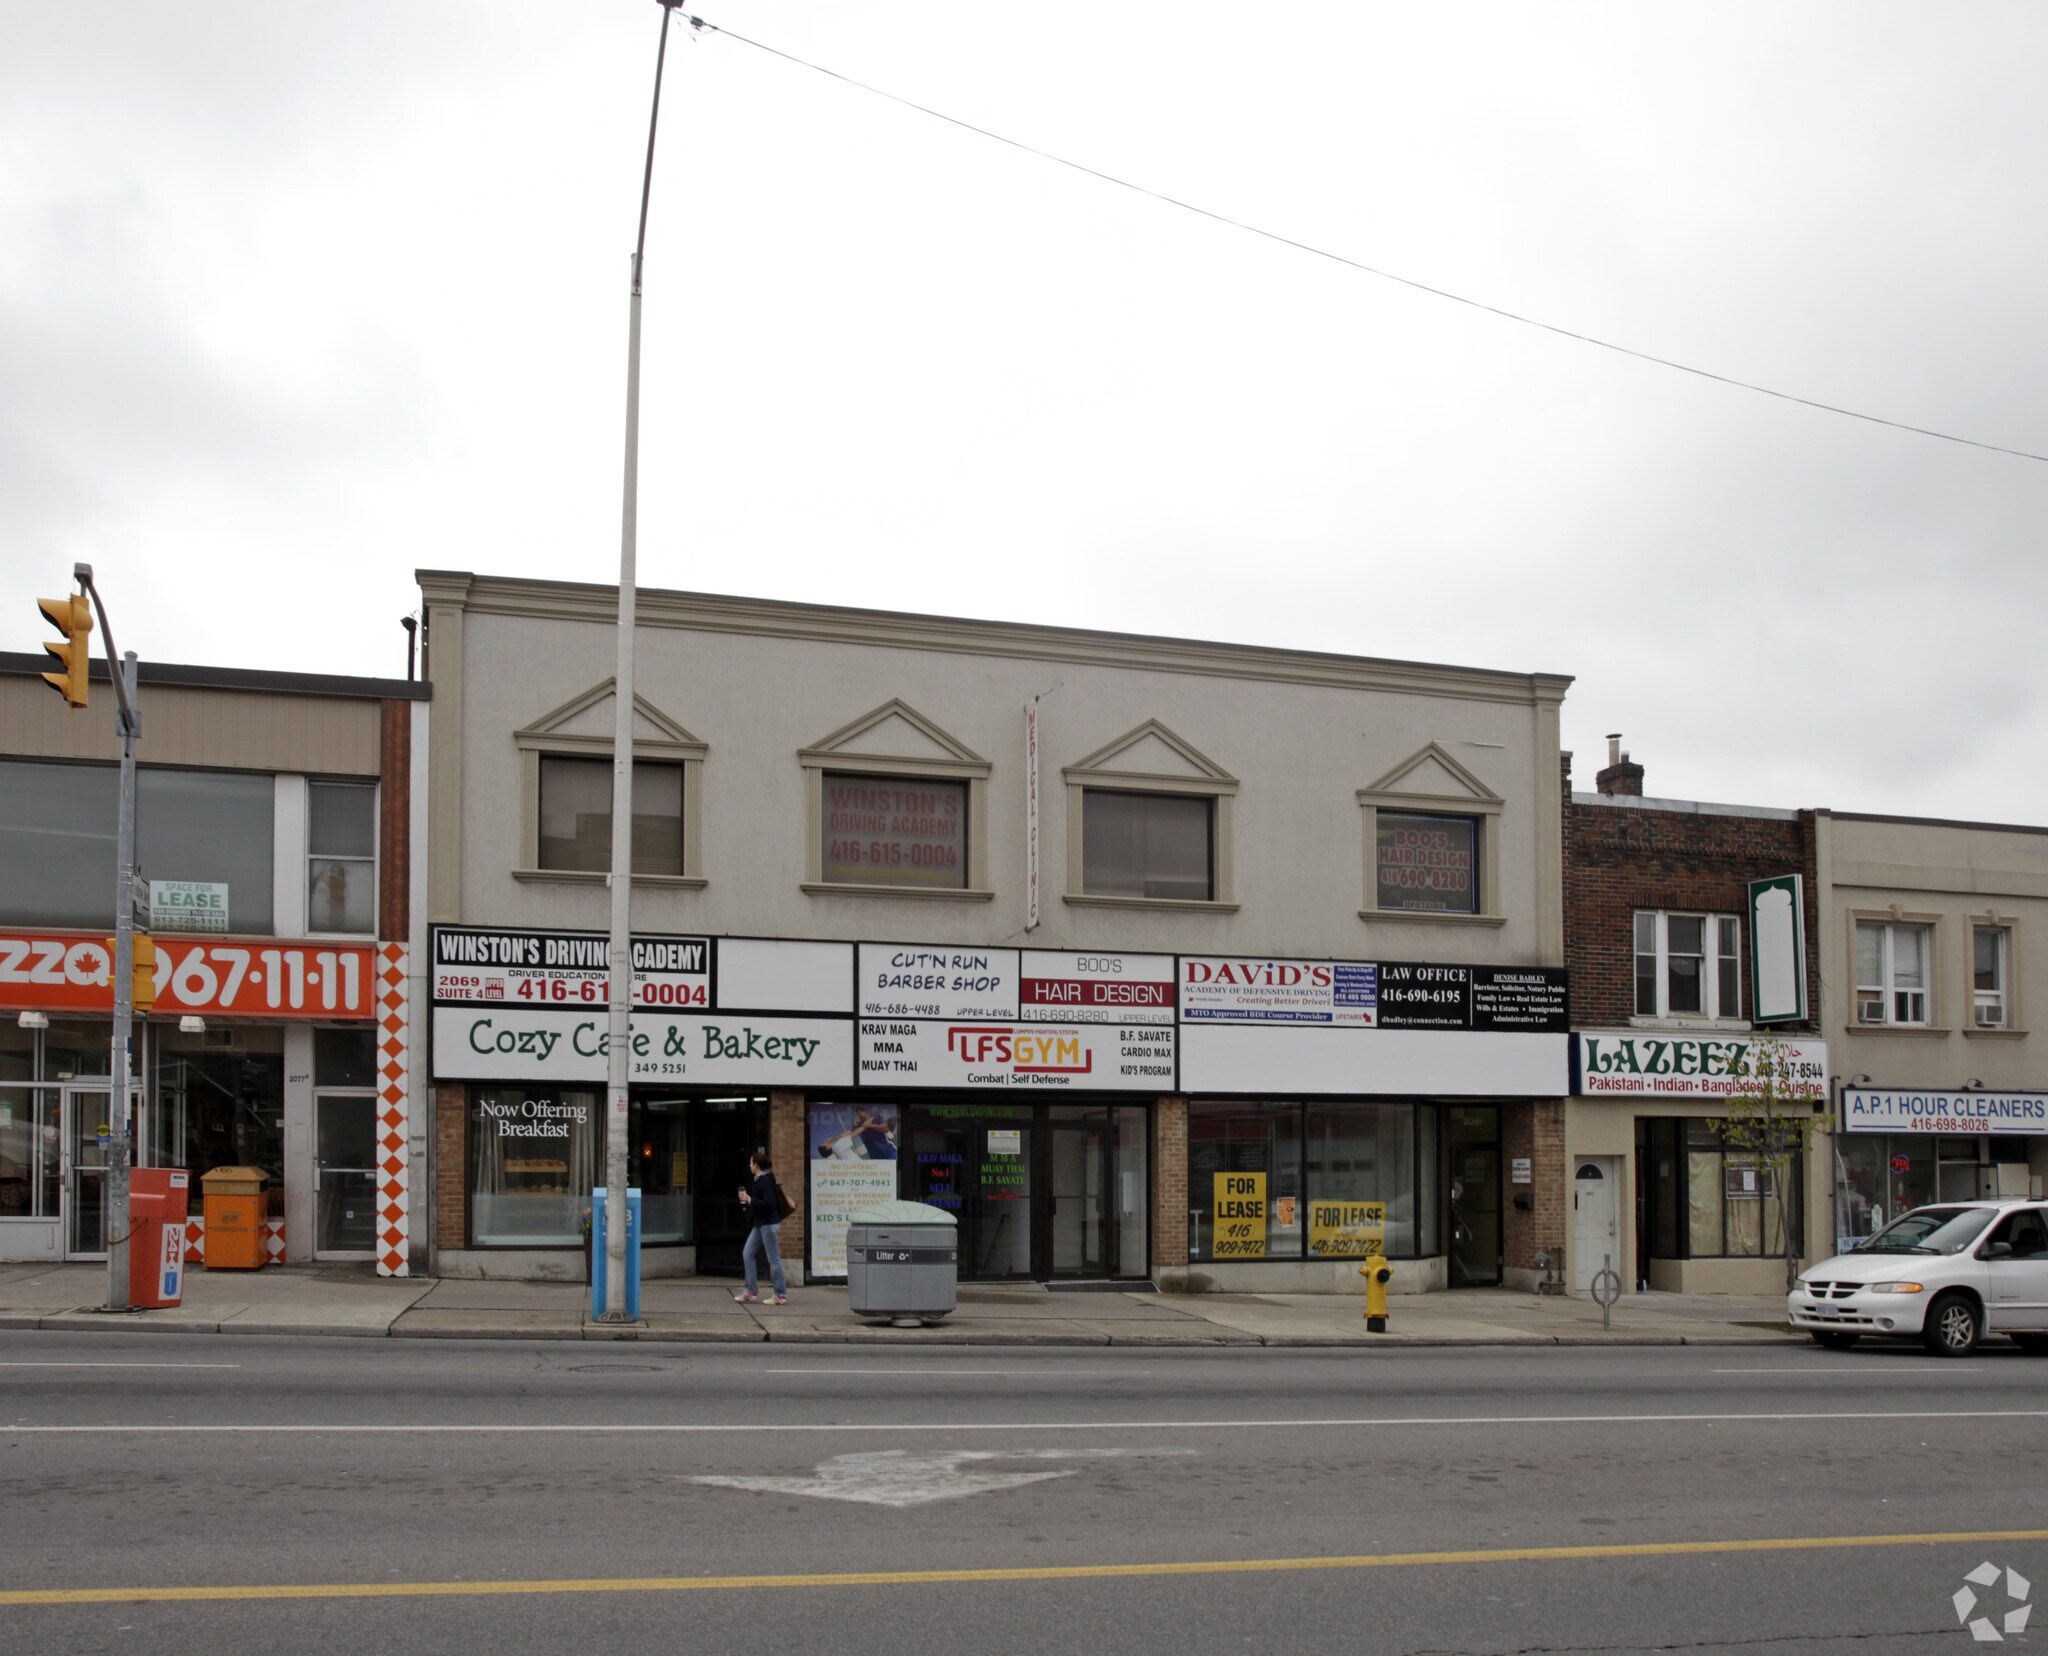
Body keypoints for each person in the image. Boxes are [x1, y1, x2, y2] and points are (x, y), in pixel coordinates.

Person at [735, 1150, 789, 1306]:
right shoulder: (760, 1179)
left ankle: (780, 1294)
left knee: (774, 1259)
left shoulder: (765, 1181)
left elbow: (769, 1203)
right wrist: (749, 1200)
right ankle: (750, 1291)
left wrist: (749, 1199)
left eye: (751, 1163)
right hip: (760, 1224)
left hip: (769, 1225)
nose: (749, 1165)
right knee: (747, 1253)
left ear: (756, 1165)